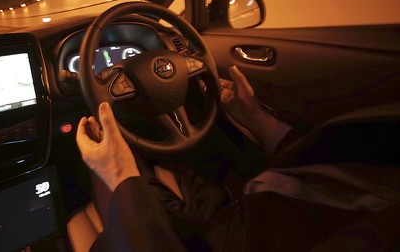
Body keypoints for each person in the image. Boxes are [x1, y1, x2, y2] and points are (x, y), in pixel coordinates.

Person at [76, 66, 400, 251]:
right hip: (263, 211)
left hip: (239, 239)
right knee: (166, 174)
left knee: (139, 178)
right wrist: (257, 118)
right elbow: (339, 168)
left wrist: (119, 174)